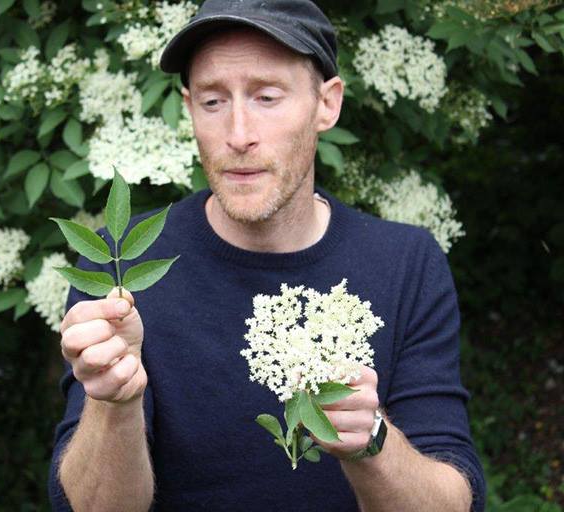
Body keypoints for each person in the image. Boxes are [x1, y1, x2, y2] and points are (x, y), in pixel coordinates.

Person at [49, 0, 486, 510]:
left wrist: (369, 441)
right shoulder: (117, 275)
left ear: (328, 104)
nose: (238, 135)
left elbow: (456, 503)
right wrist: (115, 403)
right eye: (214, 102)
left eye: (267, 97)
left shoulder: (406, 263)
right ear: (189, 107)